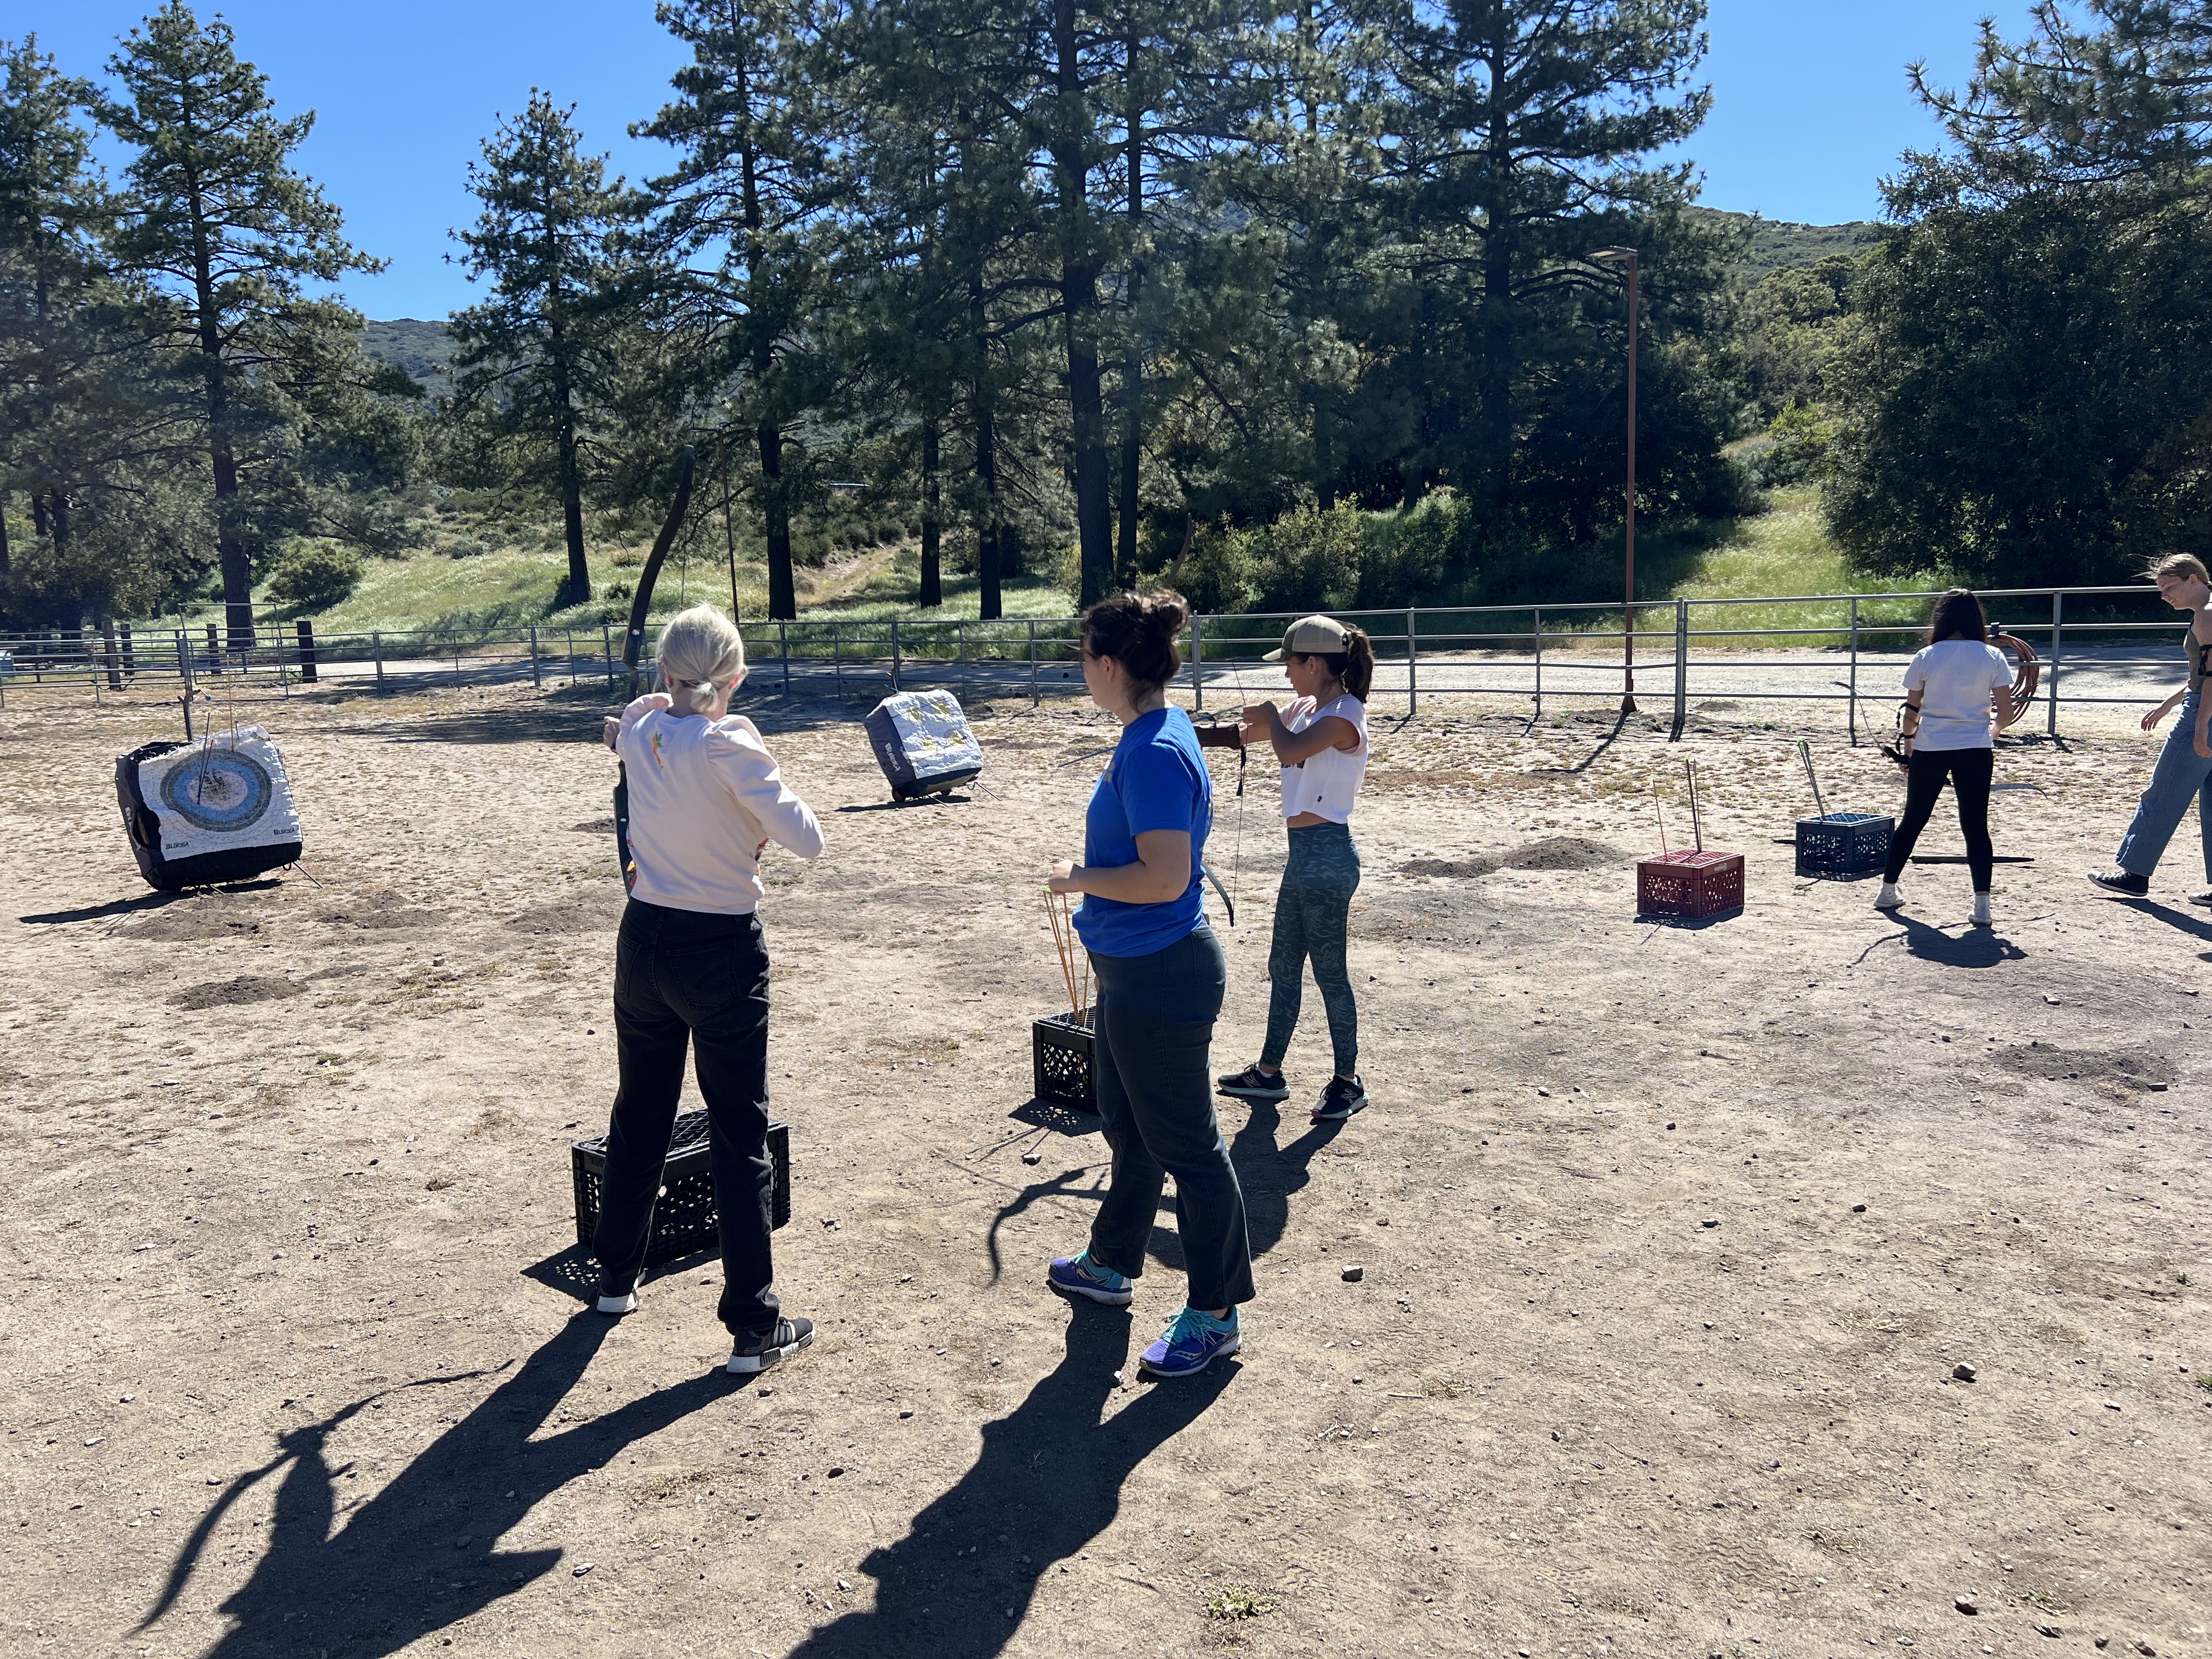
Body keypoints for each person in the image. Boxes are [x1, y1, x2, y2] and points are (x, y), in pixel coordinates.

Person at [592, 604, 824, 1375]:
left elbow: (639, 722)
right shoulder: (730, 739)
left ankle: (617, 1277)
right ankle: (753, 1324)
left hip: (644, 939)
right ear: (737, 678)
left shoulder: (640, 724)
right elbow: (808, 840)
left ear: (665, 673)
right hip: (720, 946)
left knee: (641, 1110)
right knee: (737, 1130)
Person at [1045, 591, 1254, 1379]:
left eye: (1082, 658)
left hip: (1162, 974)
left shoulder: (1154, 750)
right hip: (1136, 971)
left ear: (1108, 665)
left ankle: (1217, 1311)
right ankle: (1112, 1262)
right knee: (1130, 1127)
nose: (1080, 672)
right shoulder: (1151, 734)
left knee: (1189, 1146)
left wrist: (1078, 879)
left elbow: (1164, 878)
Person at [1209, 614, 1375, 1122]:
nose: (1285, 675)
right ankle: (1269, 1072)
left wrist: (1270, 717)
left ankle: (1348, 1081)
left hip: (1328, 857)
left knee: (1329, 974)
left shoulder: (1345, 716)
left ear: (1314, 663)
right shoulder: (1306, 706)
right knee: (1283, 967)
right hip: (1304, 858)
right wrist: (1184, 732)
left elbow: (1287, 748)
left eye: (1289, 665)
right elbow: (1248, 734)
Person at [1875, 589, 2018, 924]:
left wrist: (1908, 750)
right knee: (1975, 825)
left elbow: (1912, 711)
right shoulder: (1992, 657)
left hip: (1931, 746)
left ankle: (1887, 890)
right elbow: (2006, 713)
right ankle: (1982, 905)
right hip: (1975, 748)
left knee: (1914, 819)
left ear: (1941, 618)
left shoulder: (1926, 656)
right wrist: (1989, 735)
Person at [2089, 553, 2212, 901]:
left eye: (2169, 588)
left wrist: (2200, 726)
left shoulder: (2206, 616)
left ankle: (2134, 872)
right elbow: (2202, 676)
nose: (2164, 596)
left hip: (2204, 714)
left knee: (2164, 790)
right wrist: (2168, 703)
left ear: (2193, 579)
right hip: (2204, 706)